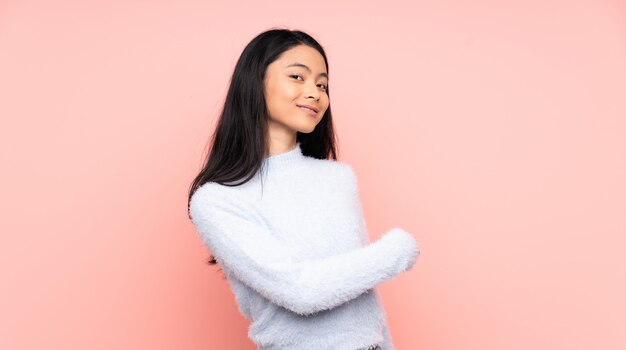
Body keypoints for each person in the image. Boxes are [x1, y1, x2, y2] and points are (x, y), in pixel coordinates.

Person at [187, 28, 420, 350]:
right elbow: (300, 292)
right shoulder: (218, 199)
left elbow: (364, 306)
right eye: (298, 77)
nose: (315, 93)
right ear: (255, 82)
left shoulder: (337, 179)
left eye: (322, 85)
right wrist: (398, 250)